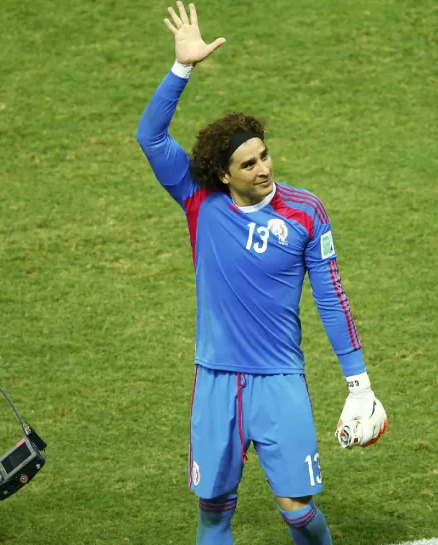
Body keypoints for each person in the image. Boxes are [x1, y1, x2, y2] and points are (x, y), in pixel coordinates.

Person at [136, 4, 389, 544]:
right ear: (223, 175)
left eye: (265, 156)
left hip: (280, 380)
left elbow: (331, 298)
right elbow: (151, 138)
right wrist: (181, 70)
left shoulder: (305, 212)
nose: (265, 169)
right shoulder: (199, 202)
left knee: (298, 511)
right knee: (213, 512)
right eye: (248, 164)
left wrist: (359, 382)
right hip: (216, 379)